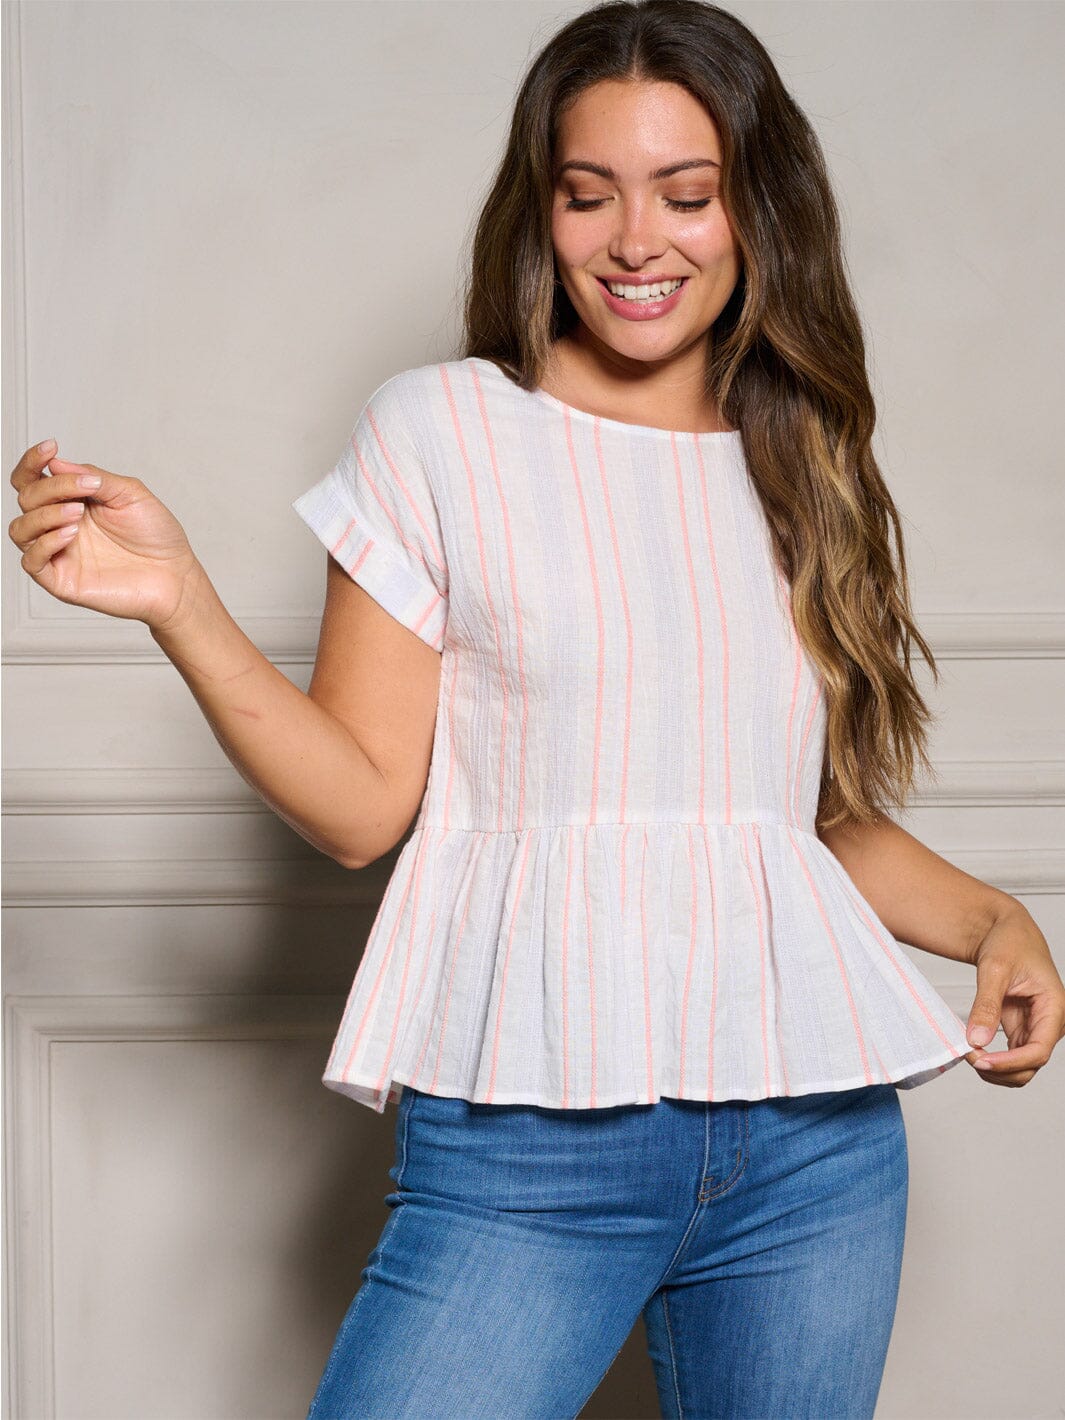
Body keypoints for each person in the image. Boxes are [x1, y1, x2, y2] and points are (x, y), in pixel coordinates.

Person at [9, 1, 1063, 1416]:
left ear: (756, 212)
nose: (636, 240)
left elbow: (788, 824)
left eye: (685, 194)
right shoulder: (441, 432)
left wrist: (994, 921)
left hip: (816, 1148)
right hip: (530, 1151)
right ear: (542, 210)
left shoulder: (802, 460)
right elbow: (359, 807)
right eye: (588, 193)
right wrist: (180, 603)